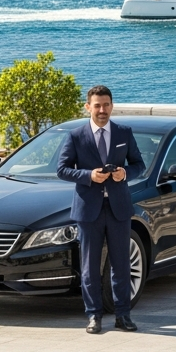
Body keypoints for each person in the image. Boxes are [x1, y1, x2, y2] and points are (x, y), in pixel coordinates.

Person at [56, 85, 145, 334]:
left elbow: (139, 164)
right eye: (97, 105)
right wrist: (88, 175)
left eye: (106, 105)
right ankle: (94, 316)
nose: (102, 110)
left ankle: (123, 316)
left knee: (122, 265)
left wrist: (124, 173)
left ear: (112, 106)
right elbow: (62, 169)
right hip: (88, 210)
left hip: (118, 208)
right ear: (88, 107)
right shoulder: (76, 136)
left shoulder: (123, 133)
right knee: (90, 266)